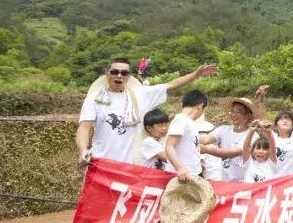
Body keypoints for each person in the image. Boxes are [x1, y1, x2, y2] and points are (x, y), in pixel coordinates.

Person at [76, 58, 217, 166]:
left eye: (124, 73)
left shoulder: (140, 95)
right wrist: (83, 150)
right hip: (100, 163)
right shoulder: (95, 98)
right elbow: (84, 127)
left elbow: (171, 85)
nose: (119, 75)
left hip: (130, 166)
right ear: (107, 74)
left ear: (129, 76)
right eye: (114, 72)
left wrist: (196, 74)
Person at [200, 94, 259, 182]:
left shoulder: (253, 135)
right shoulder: (223, 129)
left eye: (238, 112)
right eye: (232, 111)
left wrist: (206, 149)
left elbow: (232, 153)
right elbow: (205, 139)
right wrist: (188, 137)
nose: (234, 115)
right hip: (225, 181)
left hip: (244, 181)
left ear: (248, 115)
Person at [268, 84, 293, 179]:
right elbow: (261, 119)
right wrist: (261, 101)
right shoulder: (272, 138)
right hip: (275, 181)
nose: (285, 120)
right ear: (276, 126)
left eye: (288, 119)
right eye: (281, 119)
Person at [165, 90, 209, 178]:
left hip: (192, 172)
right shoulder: (181, 120)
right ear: (200, 107)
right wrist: (180, 168)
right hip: (183, 175)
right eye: (203, 109)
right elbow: (169, 146)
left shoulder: (189, 122)